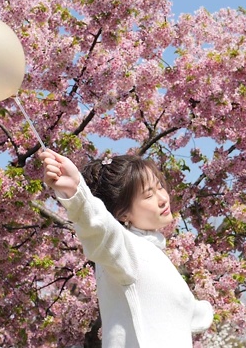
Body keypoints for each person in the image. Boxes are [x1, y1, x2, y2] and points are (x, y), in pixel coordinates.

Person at [39, 149, 214, 347]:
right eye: (148, 195)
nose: (163, 198)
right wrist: (75, 190)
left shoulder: (156, 255)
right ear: (123, 214)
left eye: (160, 187)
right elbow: (99, 227)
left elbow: (185, 310)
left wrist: (207, 309)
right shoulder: (129, 251)